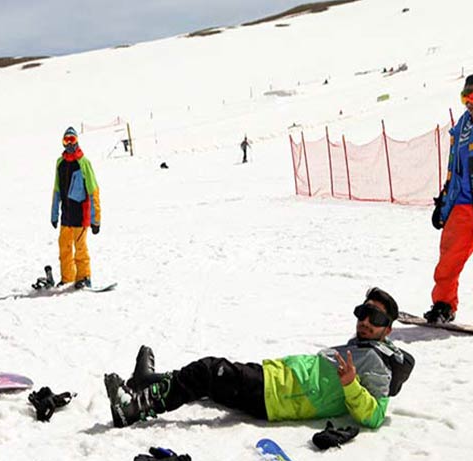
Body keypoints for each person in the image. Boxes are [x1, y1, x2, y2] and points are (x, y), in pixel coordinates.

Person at [105, 288, 414, 430]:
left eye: (374, 317)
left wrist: (350, 386)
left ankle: (130, 409)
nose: (365, 321)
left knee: (210, 371)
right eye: (363, 313)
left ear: (388, 329)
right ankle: (148, 384)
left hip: (279, 395)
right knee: (208, 382)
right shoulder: (361, 347)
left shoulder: (377, 363)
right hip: (277, 380)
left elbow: (374, 416)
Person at [425, 74, 473, 323]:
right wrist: (444, 205)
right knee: (449, 259)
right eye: (466, 97)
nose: (470, 103)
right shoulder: (462, 127)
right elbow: (454, 170)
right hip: (463, 204)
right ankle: (443, 304)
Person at [51, 126, 101, 288]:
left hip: (80, 214)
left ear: (77, 141)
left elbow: (93, 191)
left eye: (72, 140)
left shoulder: (83, 163)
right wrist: (54, 215)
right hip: (66, 215)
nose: (69, 144)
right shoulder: (60, 163)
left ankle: (84, 277)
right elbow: (57, 190)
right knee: (64, 248)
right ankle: (68, 278)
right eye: (66, 140)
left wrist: (96, 220)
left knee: (80, 249)